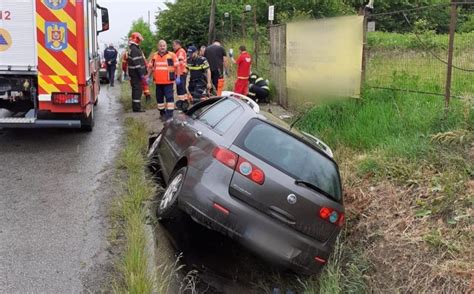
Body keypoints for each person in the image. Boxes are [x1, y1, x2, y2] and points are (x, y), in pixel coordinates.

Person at [148, 40, 180, 121]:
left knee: (169, 98)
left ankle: (169, 115)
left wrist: (178, 77)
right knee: (159, 99)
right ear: (158, 46)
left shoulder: (171, 55)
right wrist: (147, 77)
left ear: (166, 46)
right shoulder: (154, 56)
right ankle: (162, 113)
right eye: (160, 46)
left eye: (164, 46)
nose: (162, 47)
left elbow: (177, 67)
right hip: (158, 82)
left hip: (168, 82)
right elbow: (151, 67)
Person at [126, 32, 147, 112]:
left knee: (137, 90)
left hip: (135, 73)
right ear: (136, 39)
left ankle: (136, 107)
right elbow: (137, 63)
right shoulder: (134, 49)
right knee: (137, 90)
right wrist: (141, 74)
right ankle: (137, 108)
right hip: (136, 74)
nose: (140, 41)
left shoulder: (134, 47)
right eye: (139, 39)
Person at [173, 40, 188, 108]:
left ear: (178, 44)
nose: (173, 47)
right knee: (181, 88)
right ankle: (184, 102)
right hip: (180, 73)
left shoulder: (180, 51)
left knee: (181, 88)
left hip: (181, 73)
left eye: (174, 45)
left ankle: (183, 103)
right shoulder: (178, 51)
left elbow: (180, 63)